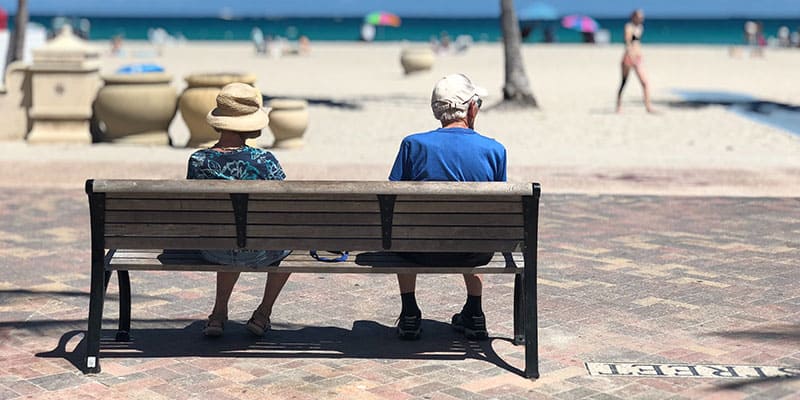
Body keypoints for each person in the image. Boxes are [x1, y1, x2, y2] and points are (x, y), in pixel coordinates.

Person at [388, 73, 507, 341]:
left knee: (402, 231)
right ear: (471, 108)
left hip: (418, 251)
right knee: (477, 226)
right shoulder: (494, 150)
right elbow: (496, 212)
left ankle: (409, 313)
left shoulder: (413, 145)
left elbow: (392, 199)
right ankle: (475, 312)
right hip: (474, 252)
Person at [186, 83, 291, 338]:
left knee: (229, 232)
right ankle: (264, 312)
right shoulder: (265, 161)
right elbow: (283, 204)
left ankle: (219, 313)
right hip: (258, 252)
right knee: (292, 239)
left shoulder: (198, 161)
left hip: (212, 250)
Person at [616, 9, 654, 113]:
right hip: (629, 57)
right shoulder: (629, 27)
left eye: (642, 17)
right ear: (633, 16)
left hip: (637, 58)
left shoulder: (640, 28)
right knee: (624, 82)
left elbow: (637, 43)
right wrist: (631, 55)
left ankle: (648, 107)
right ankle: (618, 106)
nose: (641, 18)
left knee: (645, 83)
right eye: (639, 16)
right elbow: (627, 42)